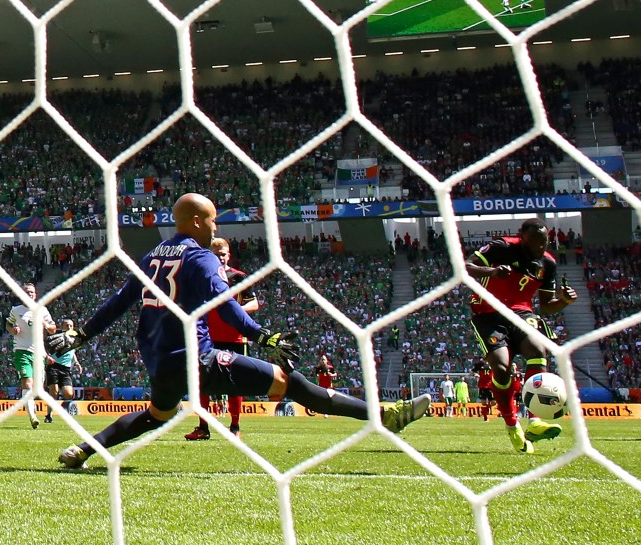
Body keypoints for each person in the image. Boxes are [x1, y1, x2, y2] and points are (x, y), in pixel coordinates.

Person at [53, 193, 430, 469]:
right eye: (213, 220)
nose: (216, 226)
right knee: (290, 382)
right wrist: (264, 336)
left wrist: (82, 335)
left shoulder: (152, 256)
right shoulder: (200, 257)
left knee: (157, 413)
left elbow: (118, 302)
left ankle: (83, 450)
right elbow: (226, 306)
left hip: (159, 361)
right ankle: (387, 416)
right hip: (197, 358)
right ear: (198, 222)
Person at [465, 218, 578, 454]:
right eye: (536, 240)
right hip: (488, 313)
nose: (541, 244)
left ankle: (535, 421)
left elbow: (547, 306)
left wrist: (565, 301)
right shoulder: (502, 247)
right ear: (522, 236)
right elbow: (466, 266)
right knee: (502, 368)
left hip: (522, 313)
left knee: (538, 350)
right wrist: (492, 272)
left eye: (545, 240)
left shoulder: (547, 264)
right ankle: (511, 423)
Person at [185, 237, 259, 440]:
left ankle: (235, 426)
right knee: (203, 382)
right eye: (217, 255)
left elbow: (254, 304)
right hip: (207, 337)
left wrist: (234, 312)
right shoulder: (202, 275)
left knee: (235, 383)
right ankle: (203, 427)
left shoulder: (239, 277)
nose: (221, 258)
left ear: (229, 255)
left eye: (224, 254)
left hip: (234, 338)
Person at [6, 282, 57, 429]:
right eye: (27, 292)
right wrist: (12, 329)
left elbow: (53, 329)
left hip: (39, 354)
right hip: (22, 351)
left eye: (32, 292)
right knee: (27, 384)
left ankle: (30, 406)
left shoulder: (43, 310)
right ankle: (32, 417)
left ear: (35, 295)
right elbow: (8, 325)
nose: (29, 294)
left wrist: (46, 325)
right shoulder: (16, 310)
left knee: (37, 387)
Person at [44, 319, 83, 424]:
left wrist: (77, 363)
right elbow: (47, 348)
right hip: (53, 366)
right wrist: (47, 357)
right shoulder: (57, 337)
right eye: (67, 325)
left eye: (71, 325)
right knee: (54, 392)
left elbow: (72, 352)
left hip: (66, 369)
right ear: (62, 326)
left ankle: (66, 409)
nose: (69, 327)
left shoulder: (74, 339)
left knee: (69, 394)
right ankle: (48, 415)